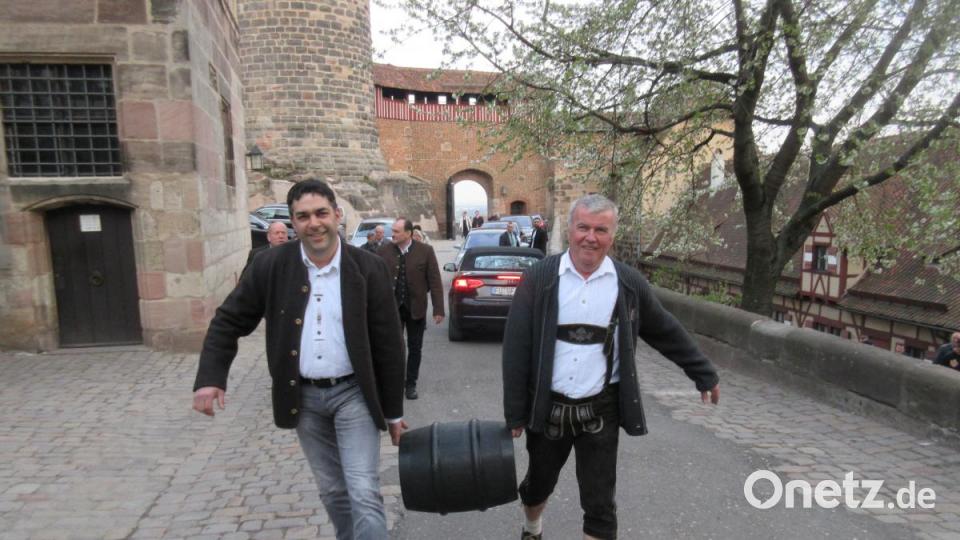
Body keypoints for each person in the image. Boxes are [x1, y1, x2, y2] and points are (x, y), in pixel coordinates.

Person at [193, 179, 407, 540]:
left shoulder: (368, 268)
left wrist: (394, 413)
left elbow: (389, 344)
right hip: (303, 398)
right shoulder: (270, 265)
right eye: (303, 216)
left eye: (321, 213)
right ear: (293, 222)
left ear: (337, 215)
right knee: (333, 491)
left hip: (354, 393)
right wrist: (211, 378)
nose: (314, 223)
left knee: (363, 490)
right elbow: (228, 320)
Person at [502, 194, 720, 540]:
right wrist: (515, 412)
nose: (590, 237)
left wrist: (703, 372)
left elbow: (664, 329)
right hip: (548, 405)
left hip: (601, 409)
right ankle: (532, 527)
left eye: (600, 230)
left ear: (612, 236)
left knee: (600, 504)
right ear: (570, 230)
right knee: (538, 485)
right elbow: (516, 347)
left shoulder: (628, 283)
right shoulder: (539, 278)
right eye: (583, 227)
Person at [379, 218, 445, 400]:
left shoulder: (425, 251)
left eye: (396, 231)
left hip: (416, 308)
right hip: (392, 309)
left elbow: (435, 281)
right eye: (392, 230)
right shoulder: (383, 251)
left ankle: (411, 384)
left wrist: (438, 309)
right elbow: (375, 279)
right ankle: (395, 382)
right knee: (394, 348)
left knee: (415, 348)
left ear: (408, 233)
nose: (392, 234)